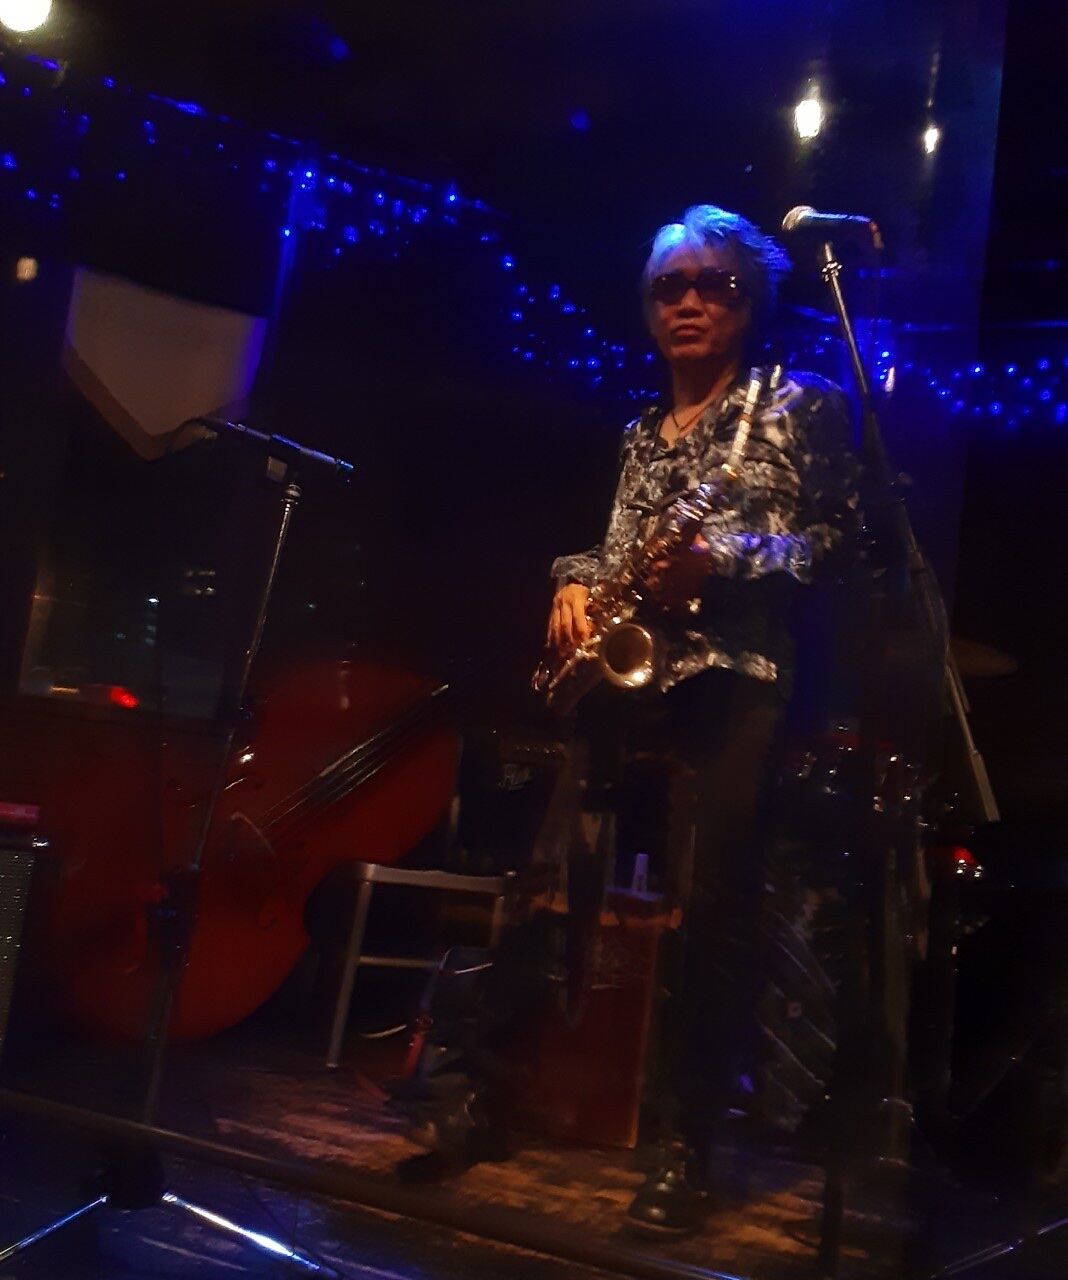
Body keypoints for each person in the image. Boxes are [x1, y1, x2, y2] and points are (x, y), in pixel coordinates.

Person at [545, 203, 861, 1236]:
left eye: (713, 283)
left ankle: (689, 1143)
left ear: (750, 300)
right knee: (550, 874)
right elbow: (617, 551)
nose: (688, 301)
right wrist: (576, 579)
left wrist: (723, 558)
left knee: (715, 910)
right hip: (635, 674)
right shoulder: (641, 432)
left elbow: (839, 543)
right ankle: (489, 1084)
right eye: (669, 285)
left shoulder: (799, 404)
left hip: (739, 674)